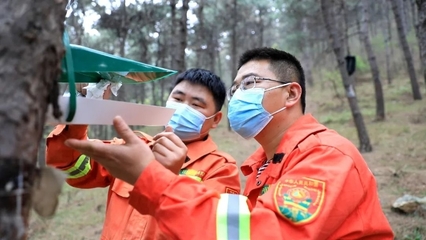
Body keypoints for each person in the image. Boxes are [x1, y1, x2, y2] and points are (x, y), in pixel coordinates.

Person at [65, 48, 394, 239]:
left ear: (292, 93)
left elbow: (258, 233)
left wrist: (153, 178)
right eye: (235, 88)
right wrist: (80, 111)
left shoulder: (325, 155)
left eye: (249, 83)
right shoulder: (259, 169)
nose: (238, 96)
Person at [45, 68, 241, 239]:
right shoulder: (135, 147)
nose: (182, 108)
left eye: (196, 105)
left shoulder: (222, 169)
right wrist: (81, 109)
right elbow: (71, 167)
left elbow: (210, 231)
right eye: (178, 99)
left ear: (215, 120)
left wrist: (166, 180)